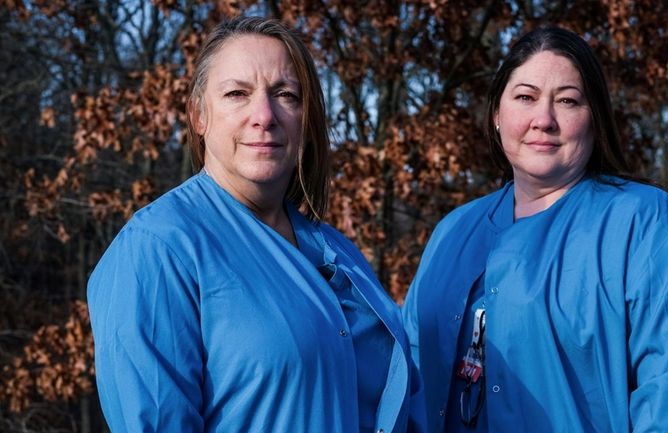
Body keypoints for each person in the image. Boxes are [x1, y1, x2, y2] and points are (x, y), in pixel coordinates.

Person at [88, 16, 425, 433]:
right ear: (198, 116)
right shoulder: (157, 249)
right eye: (236, 94)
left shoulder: (337, 251)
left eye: (286, 94)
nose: (264, 115)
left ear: (306, 116)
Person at [403, 27, 668, 433]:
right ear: (497, 116)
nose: (544, 120)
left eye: (568, 101)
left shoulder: (644, 223)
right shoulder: (452, 232)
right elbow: (407, 377)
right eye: (525, 97)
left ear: (595, 119)